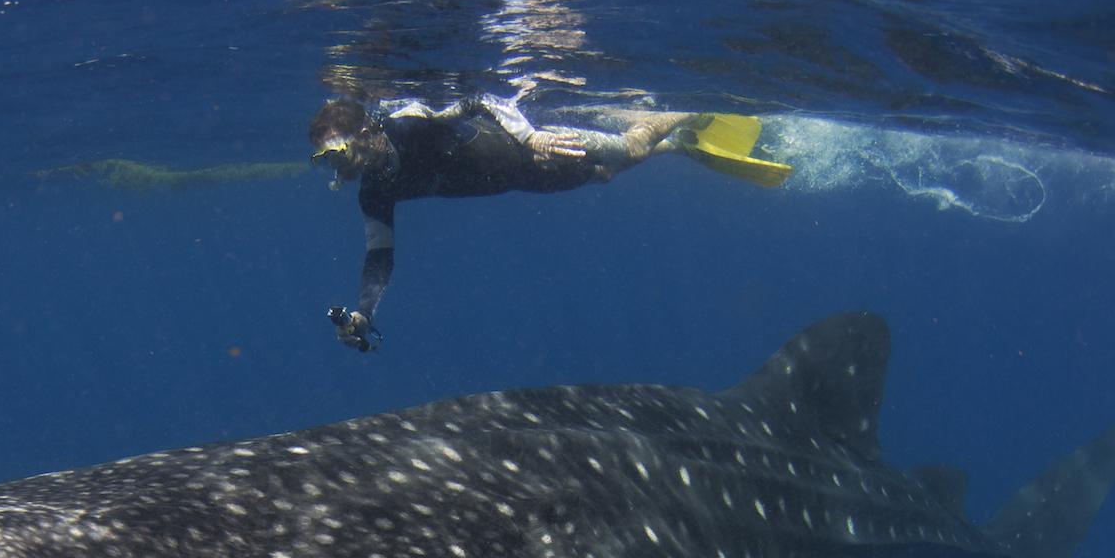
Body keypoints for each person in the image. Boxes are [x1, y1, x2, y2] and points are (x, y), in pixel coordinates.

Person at [308, 94, 793, 351]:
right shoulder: (375, 191)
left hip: (536, 148)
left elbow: (478, 99)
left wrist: (530, 136)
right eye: (323, 159)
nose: (336, 166)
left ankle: (690, 110)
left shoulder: (409, 125)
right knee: (604, 173)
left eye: (338, 152)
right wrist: (364, 313)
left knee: (628, 150)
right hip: (523, 180)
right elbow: (379, 256)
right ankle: (678, 144)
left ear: (367, 133)